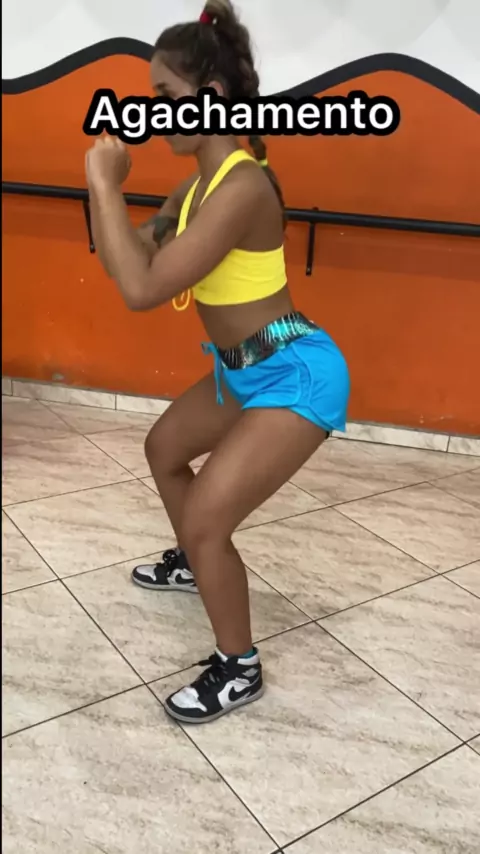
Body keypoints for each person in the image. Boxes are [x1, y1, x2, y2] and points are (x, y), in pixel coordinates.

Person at [85, 0, 350, 725]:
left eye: (164, 95)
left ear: (211, 95)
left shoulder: (240, 188)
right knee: (164, 448)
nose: (153, 112)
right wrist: (103, 192)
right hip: (243, 368)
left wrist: (104, 185)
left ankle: (239, 666)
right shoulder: (194, 189)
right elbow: (131, 259)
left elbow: (140, 289)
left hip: (295, 372)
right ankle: (191, 559)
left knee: (208, 518)